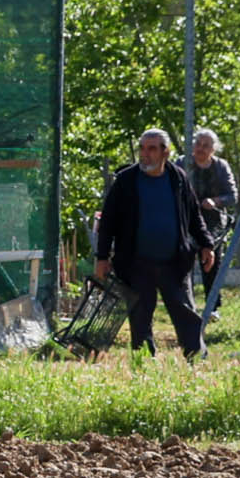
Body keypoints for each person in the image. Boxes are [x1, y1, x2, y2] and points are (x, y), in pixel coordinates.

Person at [92, 128, 217, 358]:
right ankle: (144, 363)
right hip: (136, 263)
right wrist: (102, 257)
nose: (145, 154)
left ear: (165, 152)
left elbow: (193, 215)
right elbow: (108, 221)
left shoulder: (177, 178)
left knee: (185, 312)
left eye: (151, 149)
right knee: (140, 317)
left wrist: (206, 244)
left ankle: (197, 357)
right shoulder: (126, 181)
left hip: (174, 262)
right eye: (142, 148)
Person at [186, 128, 237, 248]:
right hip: (187, 222)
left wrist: (214, 201)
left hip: (214, 224)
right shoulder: (182, 163)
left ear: (213, 150)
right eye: (198, 144)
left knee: (211, 261)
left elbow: (232, 196)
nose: (200, 148)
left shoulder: (221, 167)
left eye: (205, 146)